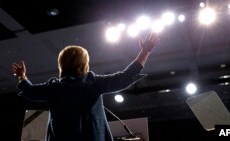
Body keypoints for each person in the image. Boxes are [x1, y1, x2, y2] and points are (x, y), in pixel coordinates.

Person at [12, 33, 160, 141]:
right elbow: (125, 77)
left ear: (61, 64)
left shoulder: (53, 88)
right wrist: (145, 51)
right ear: (85, 64)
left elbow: (30, 91)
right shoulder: (92, 83)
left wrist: (21, 76)